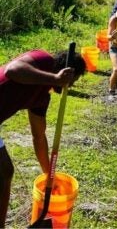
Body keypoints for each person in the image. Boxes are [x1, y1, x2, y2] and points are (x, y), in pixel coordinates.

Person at [0, 49, 86, 226]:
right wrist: (55, 79)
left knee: (4, 171)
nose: (68, 87)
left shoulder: (41, 98)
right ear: (65, 72)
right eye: (72, 81)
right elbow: (12, 70)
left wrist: (49, 175)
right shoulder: (43, 59)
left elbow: (38, 137)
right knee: (4, 171)